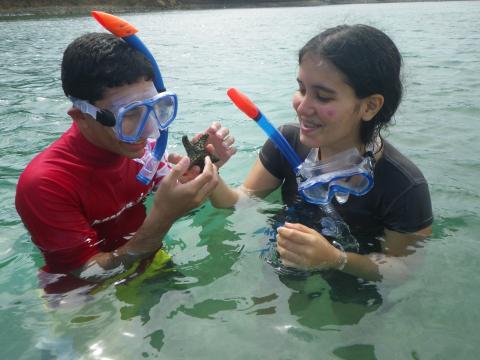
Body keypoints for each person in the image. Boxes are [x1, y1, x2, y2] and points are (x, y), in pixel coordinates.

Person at [210, 24, 433, 282]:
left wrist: (336, 260)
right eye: (302, 89)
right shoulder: (286, 142)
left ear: (370, 106)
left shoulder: (404, 185)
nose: (302, 108)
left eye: (323, 97)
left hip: (354, 282)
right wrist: (210, 177)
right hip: (283, 264)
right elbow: (242, 201)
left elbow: (402, 270)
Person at [15, 32, 234, 283]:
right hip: (84, 298)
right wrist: (162, 217)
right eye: (130, 115)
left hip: (146, 256)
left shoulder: (139, 148)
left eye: (155, 108)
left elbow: (179, 199)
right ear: (81, 116)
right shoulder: (45, 184)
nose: (151, 129)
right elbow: (84, 274)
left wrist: (203, 168)